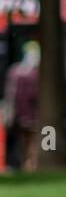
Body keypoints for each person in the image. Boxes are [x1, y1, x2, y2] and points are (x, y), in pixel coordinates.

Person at [3, 41, 40, 173]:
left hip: (21, 114)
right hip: (27, 115)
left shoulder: (15, 71)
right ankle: (27, 164)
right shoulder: (34, 74)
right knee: (30, 142)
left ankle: (26, 164)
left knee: (27, 142)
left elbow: (10, 95)